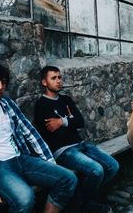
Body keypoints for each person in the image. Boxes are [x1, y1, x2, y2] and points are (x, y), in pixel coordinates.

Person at [0, 63, 77, 213]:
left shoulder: (7, 104)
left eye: (3, 82)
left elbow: (30, 132)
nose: (0, 87)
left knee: (68, 179)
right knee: (25, 198)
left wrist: (50, 163)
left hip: (21, 159)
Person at [33, 66, 119, 213]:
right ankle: (88, 204)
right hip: (63, 151)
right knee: (96, 170)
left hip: (81, 144)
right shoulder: (41, 105)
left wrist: (61, 122)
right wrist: (69, 120)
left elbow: (80, 121)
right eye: (53, 78)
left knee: (113, 166)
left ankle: (83, 198)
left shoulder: (66, 100)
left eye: (59, 77)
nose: (58, 81)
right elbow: (53, 133)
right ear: (44, 82)